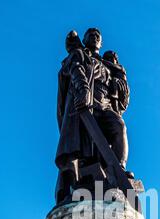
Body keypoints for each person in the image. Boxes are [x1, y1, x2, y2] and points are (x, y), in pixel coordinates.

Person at [55, 28, 130, 204]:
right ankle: (75, 184)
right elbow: (72, 71)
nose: (95, 36)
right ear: (86, 39)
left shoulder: (108, 67)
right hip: (84, 107)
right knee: (80, 151)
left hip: (104, 106)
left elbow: (123, 100)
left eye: (98, 35)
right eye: (91, 34)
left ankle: (117, 169)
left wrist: (119, 76)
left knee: (119, 126)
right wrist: (83, 90)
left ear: (101, 42)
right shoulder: (80, 55)